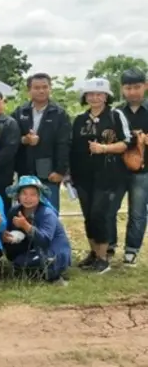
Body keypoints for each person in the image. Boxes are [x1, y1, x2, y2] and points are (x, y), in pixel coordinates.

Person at [70, 78, 132, 274]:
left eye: (99, 94)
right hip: (83, 175)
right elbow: (73, 148)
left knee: (100, 214)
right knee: (88, 216)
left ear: (106, 96)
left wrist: (104, 148)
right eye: (90, 94)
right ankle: (94, 254)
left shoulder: (115, 116)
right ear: (85, 96)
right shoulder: (80, 119)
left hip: (108, 175)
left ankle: (104, 257)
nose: (95, 97)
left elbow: (126, 142)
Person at [11, 73, 71, 210]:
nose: (41, 91)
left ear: (50, 88)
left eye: (45, 87)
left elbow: (65, 144)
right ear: (29, 90)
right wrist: (25, 139)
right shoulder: (20, 112)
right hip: (25, 170)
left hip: (49, 173)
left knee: (49, 211)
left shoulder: (60, 114)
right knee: (24, 211)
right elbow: (11, 138)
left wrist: (60, 170)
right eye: (36, 87)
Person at [2, 176, 71, 285]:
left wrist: (26, 226)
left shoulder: (47, 213)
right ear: (18, 196)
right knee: (14, 254)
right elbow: (11, 233)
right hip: (33, 249)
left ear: (40, 196)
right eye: (24, 194)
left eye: (33, 194)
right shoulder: (14, 211)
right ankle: (33, 271)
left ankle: (54, 275)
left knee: (38, 263)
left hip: (52, 251)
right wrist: (6, 237)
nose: (28, 198)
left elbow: (45, 241)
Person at [112, 69, 148, 266]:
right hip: (117, 169)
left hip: (144, 170)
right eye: (128, 87)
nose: (133, 91)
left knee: (138, 211)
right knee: (111, 208)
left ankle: (131, 251)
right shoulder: (116, 111)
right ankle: (108, 246)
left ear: (145, 86)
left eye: (137, 87)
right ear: (122, 89)